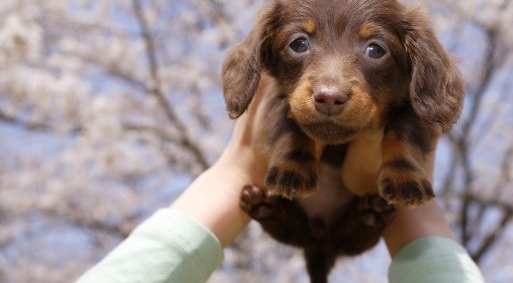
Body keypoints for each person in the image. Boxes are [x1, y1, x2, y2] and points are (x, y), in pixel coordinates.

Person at [77, 110, 484, 283]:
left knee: (351, 233)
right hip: (300, 211)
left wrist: (232, 175)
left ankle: (366, 215)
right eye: (300, 45)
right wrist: (415, 210)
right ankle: (374, 212)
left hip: (346, 221)